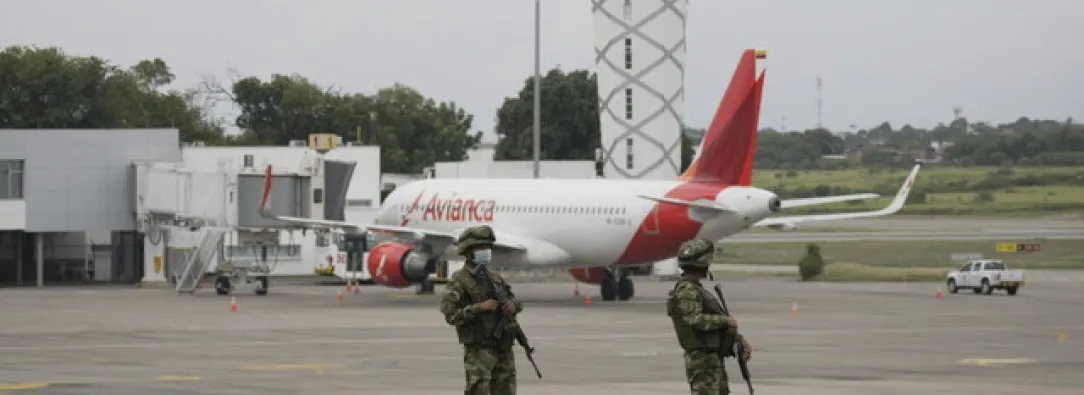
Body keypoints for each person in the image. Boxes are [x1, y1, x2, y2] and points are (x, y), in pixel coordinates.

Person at [440, 225, 523, 395]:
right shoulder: (459, 281)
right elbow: (451, 315)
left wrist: (513, 305)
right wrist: (479, 308)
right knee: (478, 390)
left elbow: (515, 301)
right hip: (479, 349)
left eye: (487, 247)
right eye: (480, 247)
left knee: (506, 389)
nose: (485, 251)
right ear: (468, 251)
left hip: (503, 348)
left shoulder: (495, 279)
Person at [666, 238, 753, 395]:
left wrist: (738, 339)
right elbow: (695, 320)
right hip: (702, 361)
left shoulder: (696, 289)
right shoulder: (687, 291)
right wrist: (725, 320)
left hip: (711, 360)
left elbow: (714, 322)